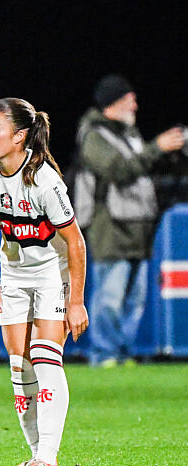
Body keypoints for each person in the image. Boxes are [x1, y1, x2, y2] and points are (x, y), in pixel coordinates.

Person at [0, 98, 88, 466]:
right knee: (19, 366)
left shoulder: (43, 180)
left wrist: (76, 302)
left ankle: (48, 458)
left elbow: (75, 242)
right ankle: (38, 456)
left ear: (20, 136)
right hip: (14, 277)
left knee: (44, 356)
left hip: (52, 275)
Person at [73, 75, 186, 367]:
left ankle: (122, 353)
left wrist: (172, 153)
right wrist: (157, 147)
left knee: (134, 299)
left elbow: (143, 169)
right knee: (109, 296)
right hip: (109, 227)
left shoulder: (130, 134)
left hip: (138, 227)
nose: (135, 104)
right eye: (128, 99)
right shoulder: (94, 135)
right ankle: (104, 354)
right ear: (113, 103)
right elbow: (118, 170)